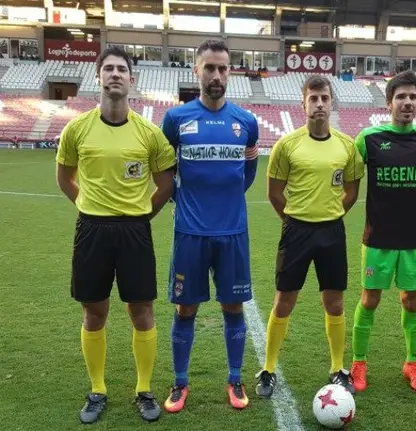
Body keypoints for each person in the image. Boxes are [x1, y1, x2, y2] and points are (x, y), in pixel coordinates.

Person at [55, 46, 176, 424]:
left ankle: (144, 389)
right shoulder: (77, 129)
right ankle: (97, 389)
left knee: (141, 311)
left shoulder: (150, 134)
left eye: (122, 69)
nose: (115, 74)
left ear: (132, 79)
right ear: (98, 77)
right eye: (108, 68)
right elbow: (65, 178)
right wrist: (89, 206)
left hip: (134, 231)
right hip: (91, 229)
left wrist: (141, 217)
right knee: (94, 312)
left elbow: (165, 184)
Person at [160, 39, 259, 413]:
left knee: (233, 306)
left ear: (230, 73)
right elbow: (165, 169)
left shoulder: (246, 123)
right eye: (209, 68)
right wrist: (179, 200)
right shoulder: (176, 119)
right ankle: (180, 383)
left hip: (232, 232)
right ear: (196, 71)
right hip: (190, 233)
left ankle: (235, 379)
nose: (216, 75)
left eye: (223, 68)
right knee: (186, 310)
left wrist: (225, 200)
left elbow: (247, 174)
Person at [255, 75, 364, 398]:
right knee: (284, 300)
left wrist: (331, 213)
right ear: (303, 103)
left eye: (324, 98)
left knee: (334, 302)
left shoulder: (347, 145)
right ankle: (269, 368)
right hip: (297, 232)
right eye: (313, 98)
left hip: (332, 231)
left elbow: (352, 189)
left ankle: (337, 368)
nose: (319, 104)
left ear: (332, 103)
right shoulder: (287, 145)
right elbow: (274, 193)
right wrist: (293, 221)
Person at [350, 70, 416, 393]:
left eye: (413, 97)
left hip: (414, 239)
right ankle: (358, 363)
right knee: (370, 299)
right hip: (378, 238)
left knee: (412, 301)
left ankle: (412, 362)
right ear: (389, 102)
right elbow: (346, 171)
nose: (407, 102)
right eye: (401, 97)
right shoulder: (369, 138)